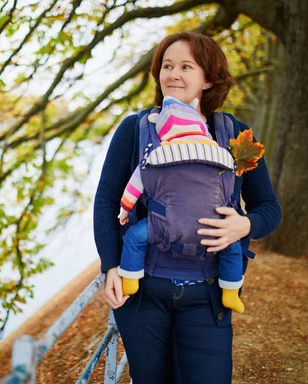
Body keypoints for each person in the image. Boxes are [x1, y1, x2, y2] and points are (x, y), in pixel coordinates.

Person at [93, 32, 281, 384]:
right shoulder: (134, 130)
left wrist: (245, 225)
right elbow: (105, 202)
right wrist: (111, 267)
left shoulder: (236, 135)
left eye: (185, 66)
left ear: (208, 78)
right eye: (166, 66)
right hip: (143, 296)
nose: (172, 74)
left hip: (208, 297)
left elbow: (269, 208)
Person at [117, 95, 246, 314]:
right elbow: (229, 187)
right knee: (231, 247)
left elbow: (135, 186)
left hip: (164, 226)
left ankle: (130, 280)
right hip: (212, 227)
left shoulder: (156, 154)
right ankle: (231, 293)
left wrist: (125, 209)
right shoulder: (222, 154)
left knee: (133, 238)